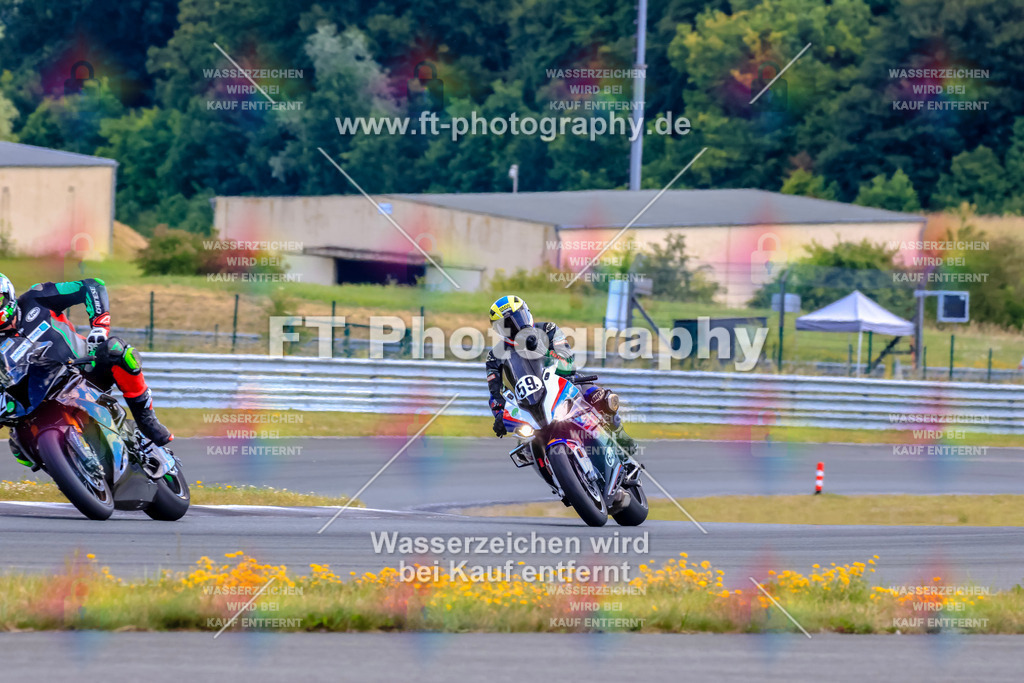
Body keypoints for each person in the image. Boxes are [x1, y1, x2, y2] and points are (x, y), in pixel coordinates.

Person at [0, 274, 173, 468]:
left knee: (116, 349)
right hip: (35, 398)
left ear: (8, 294)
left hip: (83, 369)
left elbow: (92, 286)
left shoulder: (36, 296)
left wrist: (99, 327)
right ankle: (69, 473)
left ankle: (146, 419)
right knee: (18, 448)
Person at [484, 295, 636, 456]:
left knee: (601, 396)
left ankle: (619, 435)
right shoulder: (494, 357)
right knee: (524, 450)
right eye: (506, 326)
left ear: (526, 314)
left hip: (563, 381)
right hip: (529, 403)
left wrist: (546, 355)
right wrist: (499, 415)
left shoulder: (548, 329)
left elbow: (566, 357)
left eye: (517, 319)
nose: (515, 328)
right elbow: (495, 393)